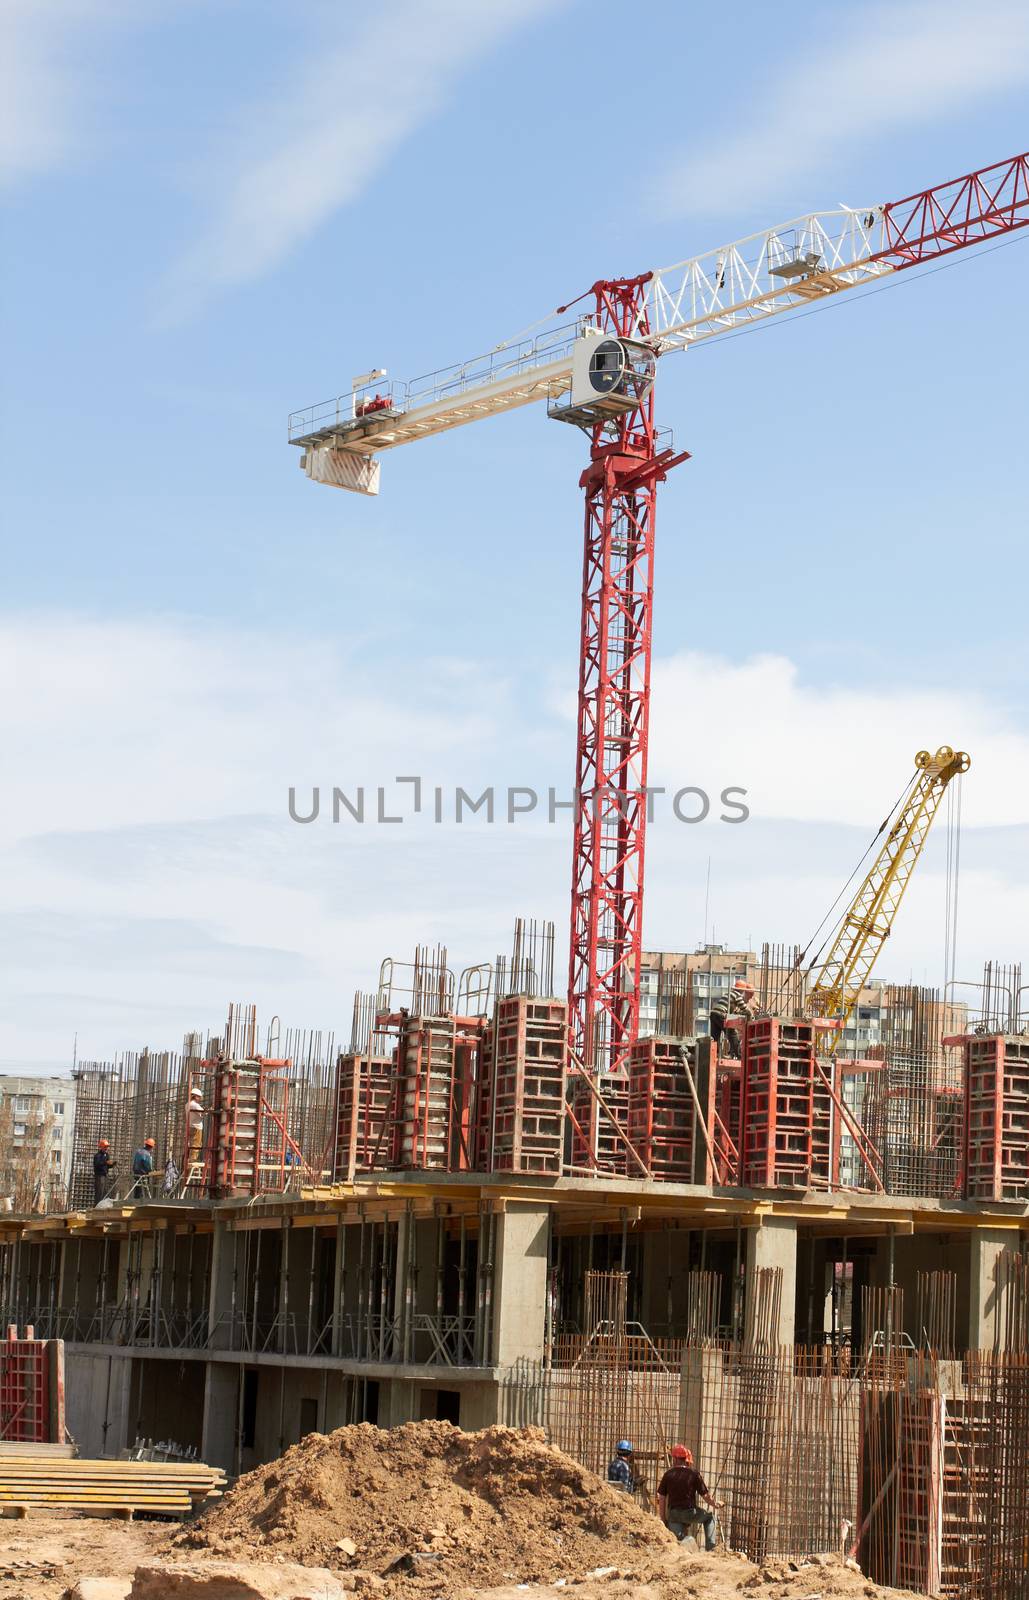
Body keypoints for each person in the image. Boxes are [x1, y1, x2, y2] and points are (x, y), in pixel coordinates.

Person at [657, 1444, 721, 1550]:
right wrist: (715, 1504)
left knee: (679, 1542)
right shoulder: (694, 1474)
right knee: (710, 1518)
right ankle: (711, 1548)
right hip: (690, 1513)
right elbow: (705, 1496)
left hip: (674, 1515)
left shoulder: (668, 1474)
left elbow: (662, 1498)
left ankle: (688, 1540)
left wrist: (663, 1520)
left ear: (675, 1458)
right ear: (685, 1459)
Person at [709, 980, 756, 1060]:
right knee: (732, 1033)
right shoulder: (737, 995)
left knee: (715, 1037)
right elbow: (743, 1007)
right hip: (721, 1014)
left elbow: (733, 1010)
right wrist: (750, 1014)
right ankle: (739, 1055)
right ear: (742, 990)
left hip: (713, 1014)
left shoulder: (729, 994)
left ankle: (714, 1055)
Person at [92, 1139, 116, 1205]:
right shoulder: (97, 1156)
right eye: (105, 1147)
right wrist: (105, 1162)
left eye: (107, 1147)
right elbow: (97, 1164)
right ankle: (97, 1206)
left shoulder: (106, 1155)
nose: (106, 1148)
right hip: (99, 1176)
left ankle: (102, 1206)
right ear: (101, 1147)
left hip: (105, 1175)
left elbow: (107, 1166)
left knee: (105, 1192)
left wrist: (112, 1164)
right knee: (99, 1192)